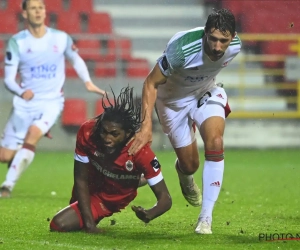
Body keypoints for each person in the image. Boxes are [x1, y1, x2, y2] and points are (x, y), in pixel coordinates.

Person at [128, 8, 241, 234]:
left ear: (232, 38)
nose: (218, 47)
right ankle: (184, 175)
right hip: (172, 103)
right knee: (190, 165)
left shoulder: (235, 46)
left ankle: (205, 218)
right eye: (213, 39)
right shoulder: (181, 50)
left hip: (204, 93)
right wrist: (146, 125)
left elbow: (208, 71)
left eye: (224, 41)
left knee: (215, 142)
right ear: (205, 34)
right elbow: (150, 83)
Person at [0, 0, 106, 198]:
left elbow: (76, 60)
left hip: (51, 102)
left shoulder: (60, 38)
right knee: (4, 156)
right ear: (24, 13)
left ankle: (7, 186)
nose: (38, 11)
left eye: (41, 7)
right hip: (24, 104)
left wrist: (88, 82)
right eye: (33, 8)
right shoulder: (17, 42)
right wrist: (21, 91)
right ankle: (21, 154)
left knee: (33, 133)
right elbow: (8, 79)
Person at [49, 87, 172, 233]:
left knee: (58, 224)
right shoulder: (88, 132)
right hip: (93, 180)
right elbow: (81, 179)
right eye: (104, 132)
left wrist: (149, 213)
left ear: (127, 134)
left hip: (111, 193)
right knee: (78, 213)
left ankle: (134, 181)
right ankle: (135, 179)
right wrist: (90, 226)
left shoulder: (141, 152)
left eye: (114, 134)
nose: (107, 138)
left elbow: (166, 199)